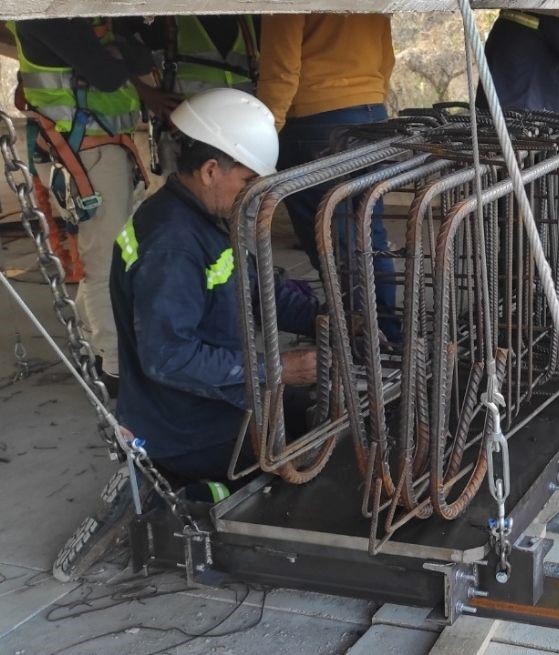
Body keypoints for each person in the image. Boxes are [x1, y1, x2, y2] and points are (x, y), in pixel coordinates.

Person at [52, 89, 320, 582]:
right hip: (185, 423)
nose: (253, 192)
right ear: (211, 169)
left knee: (320, 414)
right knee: (315, 455)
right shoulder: (172, 243)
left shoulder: (209, 217)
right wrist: (273, 369)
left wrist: (329, 318)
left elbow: (260, 288)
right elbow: (168, 358)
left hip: (218, 397)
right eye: (248, 179)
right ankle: (184, 492)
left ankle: (194, 479)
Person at [8, 18, 176, 392]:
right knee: (107, 260)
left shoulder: (85, 15)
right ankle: (115, 367)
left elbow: (138, 57)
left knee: (110, 252)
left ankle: (95, 343)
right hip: (85, 150)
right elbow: (108, 76)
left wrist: (120, 53)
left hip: (99, 146)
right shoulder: (50, 14)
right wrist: (117, 55)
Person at [256, 13, 398, 336]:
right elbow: (386, 56)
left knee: (333, 241)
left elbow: (281, 69)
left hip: (316, 119)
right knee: (368, 233)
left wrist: (264, 135)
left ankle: (358, 343)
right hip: (372, 113)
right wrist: (370, 99)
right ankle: (386, 336)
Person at [132, 15, 260, 174]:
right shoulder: (164, 19)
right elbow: (117, 49)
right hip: (184, 151)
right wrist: (145, 93)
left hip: (242, 149)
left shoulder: (252, 17)